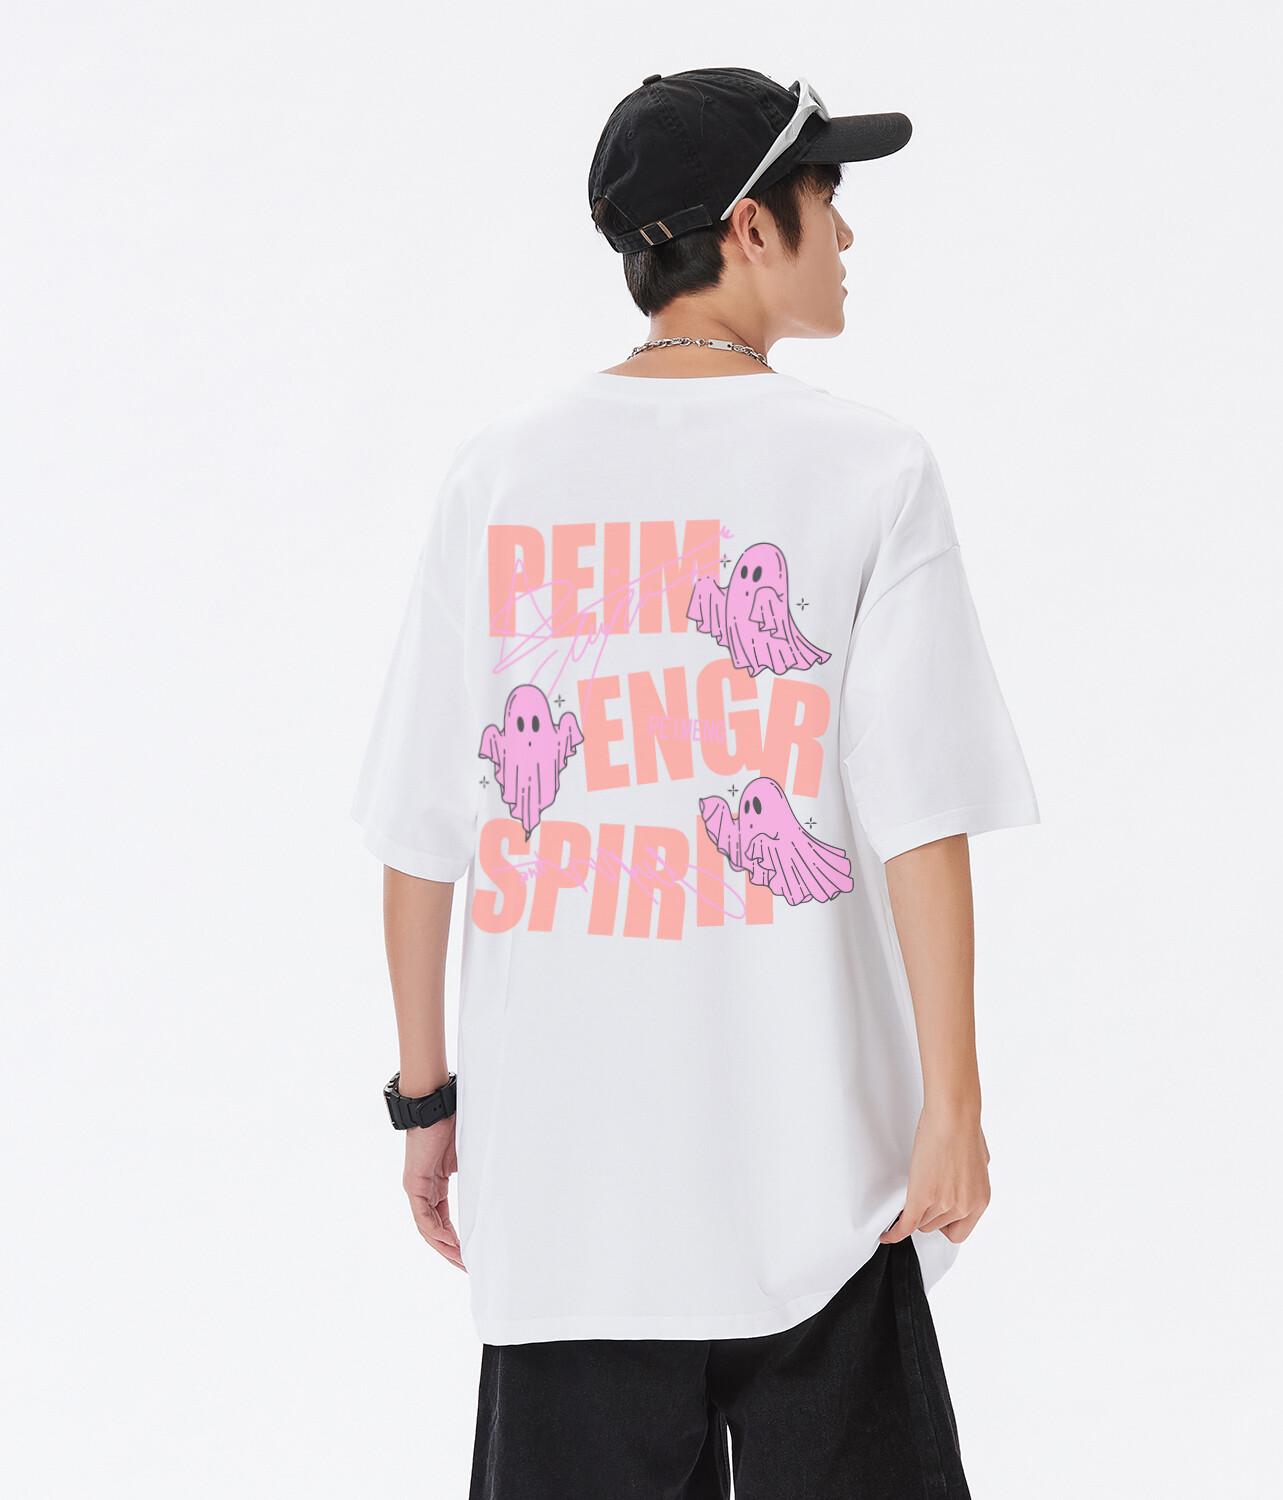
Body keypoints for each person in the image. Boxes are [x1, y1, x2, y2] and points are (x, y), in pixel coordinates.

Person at [351, 67, 1041, 1499]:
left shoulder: (499, 476)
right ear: (749, 226)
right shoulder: (869, 468)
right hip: (819, 1186)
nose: (844, 234)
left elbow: (422, 838)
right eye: (826, 197)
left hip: (568, 1208)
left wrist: (429, 1104)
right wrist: (953, 1109)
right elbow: (922, 816)